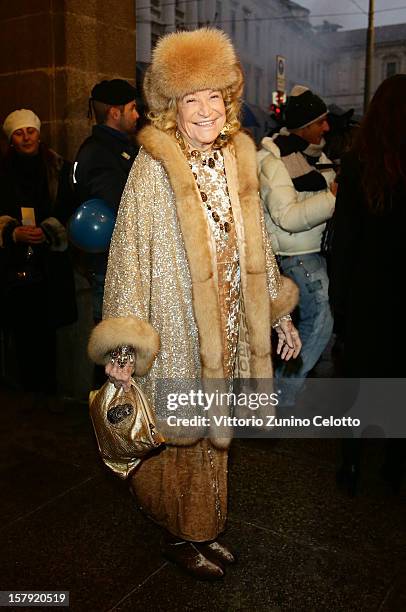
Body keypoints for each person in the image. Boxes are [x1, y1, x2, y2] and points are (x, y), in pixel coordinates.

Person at [88, 28, 301, 580]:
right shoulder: (153, 165)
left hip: (231, 323)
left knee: (216, 430)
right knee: (183, 435)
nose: (205, 109)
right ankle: (182, 533)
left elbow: (258, 240)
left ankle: (203, 527)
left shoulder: (238, 156)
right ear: (170, 106)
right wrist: (124, 346)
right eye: (191, 98)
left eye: (214, 96)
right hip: (177, 325)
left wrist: (278, 310)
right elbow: (129, 256)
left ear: (228, 99)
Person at [329, 74, 406, 495]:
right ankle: (393, 468)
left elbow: (344, 240)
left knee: (359, 381)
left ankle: (351, 464)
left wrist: (340, 302)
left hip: (367, 292)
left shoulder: (358, 164)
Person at [257, 85, 337, 407]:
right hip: (296, 257)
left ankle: (284, 390)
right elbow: (287, 216)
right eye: (320, 122)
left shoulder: (315, 156)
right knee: (320, 322)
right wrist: (332, 197)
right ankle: (282, 393)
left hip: (314, 252)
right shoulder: (274, 160)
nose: (326, 128)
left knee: (308, 325)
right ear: (303, 126)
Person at [0, 109, 77, 396]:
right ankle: (29, 391)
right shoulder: (3, 172)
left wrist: (49, 231)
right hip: (14, 261)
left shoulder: (59, 168)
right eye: (19, 133)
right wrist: (11, 232)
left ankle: (50, 390)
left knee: (48, 328)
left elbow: (70, 208)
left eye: (29, 131)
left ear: (38, 133)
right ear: (11, 139)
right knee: (22, 328)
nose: (26, 137)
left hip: (49, 260)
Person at [73, 79, 139, 323]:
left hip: (116, 264)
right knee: (114, 344)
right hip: (112, 267)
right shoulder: (101, 153)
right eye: (132, 108)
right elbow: (123, 205)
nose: (137, 115)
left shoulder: (114, 147)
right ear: (115, 113)